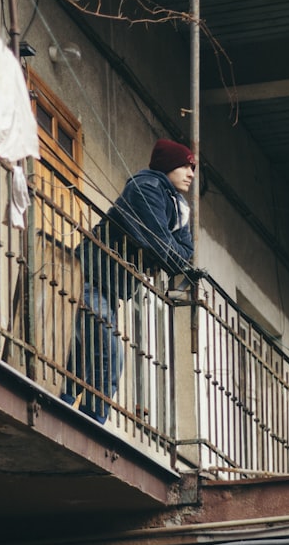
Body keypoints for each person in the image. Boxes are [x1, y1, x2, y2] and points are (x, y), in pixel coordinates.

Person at [61, 139, 196, 423]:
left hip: (110, 288)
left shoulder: (179, 206)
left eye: (192, 167)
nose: (191, 173)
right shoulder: (145, 187)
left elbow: (184, 254)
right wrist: (164, 251)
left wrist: (166, 250)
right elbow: (162, 247)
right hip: (87, 276)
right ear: (168, 165)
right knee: (109, 354)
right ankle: (90, 422)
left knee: (88, 352)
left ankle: (64, 403)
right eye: (185, 165)